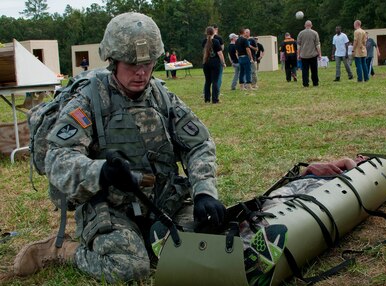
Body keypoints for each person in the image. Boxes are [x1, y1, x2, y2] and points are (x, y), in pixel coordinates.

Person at [12, 12, 226, 283]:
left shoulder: (162, 97)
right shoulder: (89, 101)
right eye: (131, 64)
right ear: (113, 61)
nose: (141, 72)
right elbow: (57, 159)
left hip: (162, 202)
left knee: (211, 241)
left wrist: (204, 192)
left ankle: (150, 238)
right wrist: (100, 171)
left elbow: (199, 144)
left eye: (148, 63)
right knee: (129, 268)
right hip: (112, 208)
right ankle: (62, 250)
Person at [202, 26, 226, 103]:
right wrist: (223, 62)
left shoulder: (204, 41)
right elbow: (220, 53)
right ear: (213, 32)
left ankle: (207, 99)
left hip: (206, 62)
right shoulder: (216, 41)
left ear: (206, 33)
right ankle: (215, 99)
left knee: (207, 81)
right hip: (215, 62)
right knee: (215, 81)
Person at [297, 20, 321, 87]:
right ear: (311, 25)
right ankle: (315, 83)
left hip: (304, 55)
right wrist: (319, 54)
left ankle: (305, 83)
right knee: (314, 70)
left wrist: (298, 54)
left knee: (305, 71)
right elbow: (317, 45)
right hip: (313, 55)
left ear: (305, 26)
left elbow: (298, 45)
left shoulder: (300, 33)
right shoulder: (315, 33)